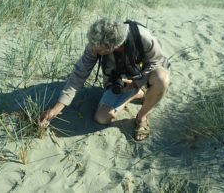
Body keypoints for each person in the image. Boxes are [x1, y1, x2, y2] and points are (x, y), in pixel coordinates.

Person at [38, 18, 170, 141]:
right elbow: (79, 75)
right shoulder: (95, 44)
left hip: (144, 75)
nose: (94, 50)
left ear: (114, 46)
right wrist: (56, 109)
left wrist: (137, 82)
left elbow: (157, 61)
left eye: (99, 50)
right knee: (102, 118)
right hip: (117, 82)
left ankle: (141, 117)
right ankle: (136, 93)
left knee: (162, 79)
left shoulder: (142, 36)